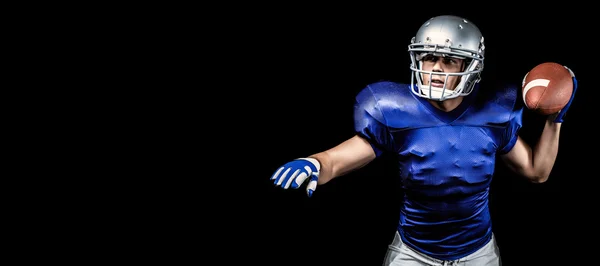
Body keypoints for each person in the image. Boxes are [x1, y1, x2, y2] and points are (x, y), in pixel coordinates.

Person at [269, 15, 578, 266]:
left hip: (478, 253)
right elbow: (336, 161)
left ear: (470, 67)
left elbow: (537, 172)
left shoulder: (494, 113)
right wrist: (314, 162)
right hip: (412, 252)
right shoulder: (394, 110)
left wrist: (555, 119)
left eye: (449, 61)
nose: (435, 69)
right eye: (429, 58)